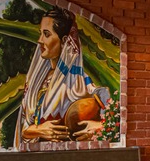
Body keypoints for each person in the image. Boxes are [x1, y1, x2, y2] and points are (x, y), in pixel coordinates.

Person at [16, 8, 109, 143]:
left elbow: (106, 99)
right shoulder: (35, 81)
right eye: (40, 33)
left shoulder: (78, 80)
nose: (40, 40)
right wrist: (37, 130)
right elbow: (23, 127)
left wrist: (102, 126)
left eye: (46, 34)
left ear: (64, 40)